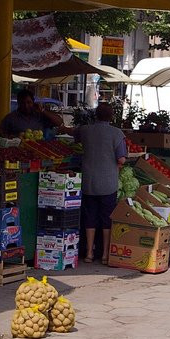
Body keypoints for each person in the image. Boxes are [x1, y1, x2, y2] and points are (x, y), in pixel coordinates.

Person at [74, 102, 127, 264]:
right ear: (112, 117)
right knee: (106, 219)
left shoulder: (85, 130)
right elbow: (121, 159)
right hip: (108, 183)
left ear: (95, 115)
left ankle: (89, 253)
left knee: (89, 217)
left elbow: (74, 137)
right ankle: (105, 254)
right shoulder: (117, 134)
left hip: (88, 181)